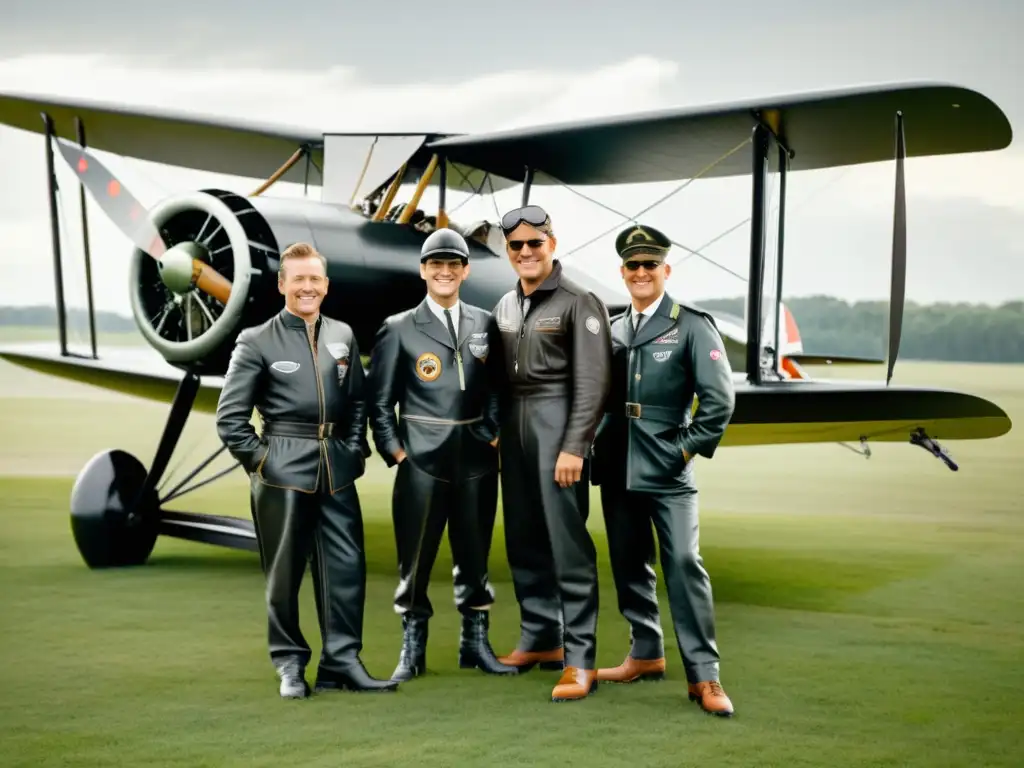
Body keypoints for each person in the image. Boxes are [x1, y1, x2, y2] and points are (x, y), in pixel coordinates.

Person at [215, 241, 398, 698]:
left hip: (337, 468)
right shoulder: (255, 341)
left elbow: (357, 399)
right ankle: (290, 664)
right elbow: (230, 419)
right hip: (282, 469)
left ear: (326, 285)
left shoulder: (343, 334)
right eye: (298, 279)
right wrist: (262, 462)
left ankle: (342, 662)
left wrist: (354, 449)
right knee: (284, 573)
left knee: (346, 567)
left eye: (315, 279)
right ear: (282, 285)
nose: (307, 287)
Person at [590, 223, 736, 717]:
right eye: (632, 266)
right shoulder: (612, 327)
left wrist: (684, 451)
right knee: (630, 567)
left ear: (665, 270)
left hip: (668, 471)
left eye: (650, 264)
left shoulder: (692, 325)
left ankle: (706, 676)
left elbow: (718, 402)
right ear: (623, 272)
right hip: (616, 468)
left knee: (683, 567)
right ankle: (645, 654)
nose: (641, 273)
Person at [367, 228, 518, 682]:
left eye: (454, 264)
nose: (445, 272)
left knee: (474, 554)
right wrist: (395, 452)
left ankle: (475, 643)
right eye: (436, 264)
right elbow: (379, 401)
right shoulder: (398, 328)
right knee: (415, 559)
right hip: (421, 462)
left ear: (466, 270)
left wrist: (491, 433)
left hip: (475, 462)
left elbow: (498, 388)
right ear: (423, 271)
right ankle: (412, 649)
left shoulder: (485, 323)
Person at [485, 204, 612, 702]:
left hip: (559, 423)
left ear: (552, 245)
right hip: (515, 429)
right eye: (515, 246)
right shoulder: (504, 305)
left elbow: (595, 382)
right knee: (522, 537)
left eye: (534, 243)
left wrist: (575, 445)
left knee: (567, 545)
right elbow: (495, 378)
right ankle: (540, 637)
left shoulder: (581, 302)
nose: (525, 253)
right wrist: (497, 427)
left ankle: (579, 658)